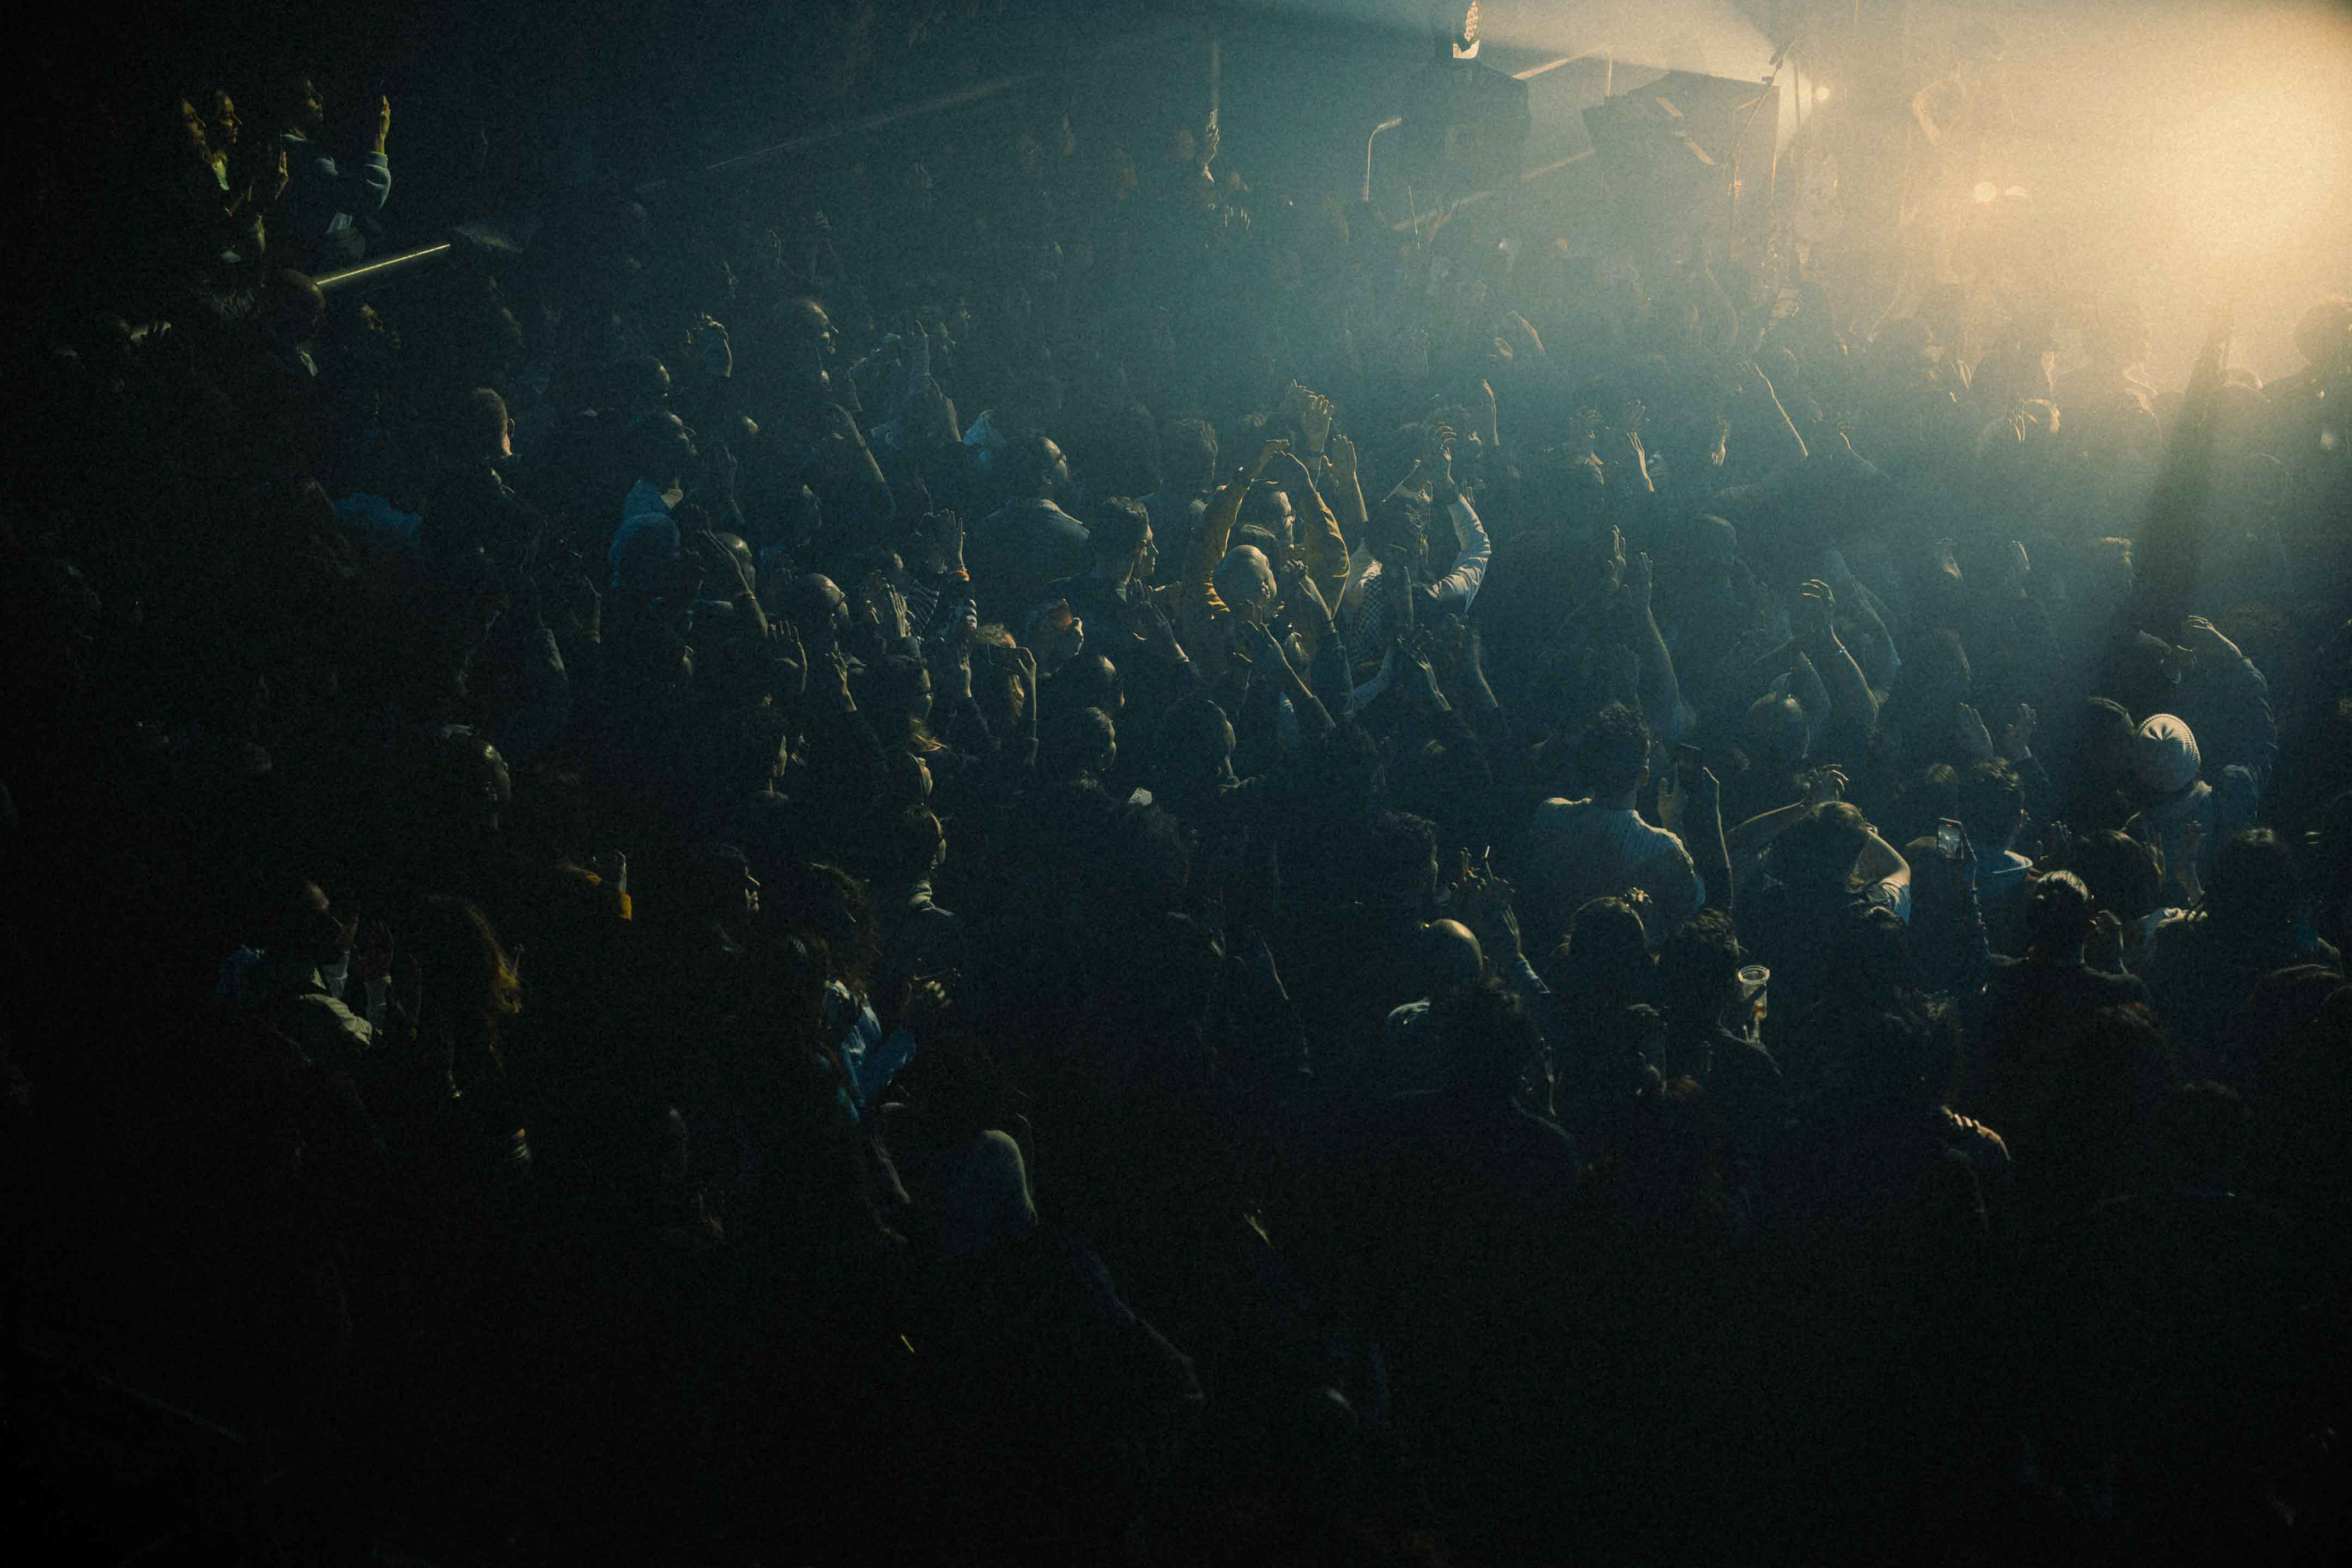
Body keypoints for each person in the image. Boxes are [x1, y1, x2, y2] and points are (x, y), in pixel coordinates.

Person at [1520, 702, 1702, 948]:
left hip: (1554, 954)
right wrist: (1674, 822)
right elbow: (1697, 905)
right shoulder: (1663, 849)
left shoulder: (1549, 815)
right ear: (1644, 775)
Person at [273, 75, 391, 268]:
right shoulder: (306, 158)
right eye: (310, 95)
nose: (320, 99)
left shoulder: (300, 150)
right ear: (290, 106)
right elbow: (370, 196)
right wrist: (379, 137)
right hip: (323, 265)